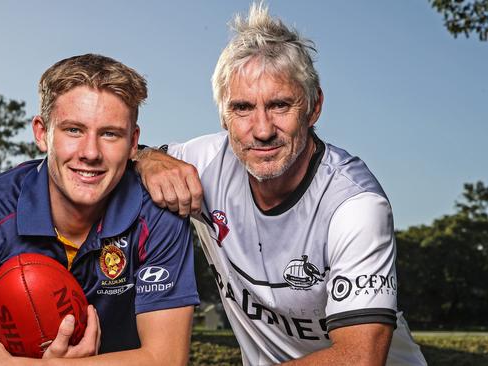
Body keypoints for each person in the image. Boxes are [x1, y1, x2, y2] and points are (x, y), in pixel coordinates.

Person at [135, 4, 427, 365]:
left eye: (280, 105)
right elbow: (118, 157)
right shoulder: (203, 162)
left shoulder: (356, 206)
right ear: (224, 116)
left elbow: (360, 357)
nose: (261, 130)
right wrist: (146, 159)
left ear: (314, 106)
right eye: (242, 108)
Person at [0, 54, 199, 366]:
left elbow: (166, 358)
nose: (90, 153)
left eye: (109, 134)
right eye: (73, 130)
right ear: (41, 133)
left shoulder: (159, 210)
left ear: (133, 143)